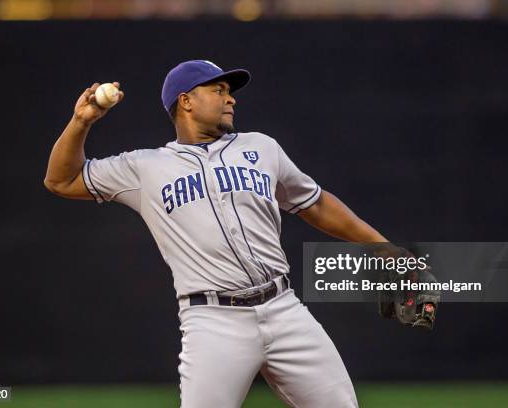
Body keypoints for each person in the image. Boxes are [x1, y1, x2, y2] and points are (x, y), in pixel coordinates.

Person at [44, 60, 388, 408]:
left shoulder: (262, 148)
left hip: (284, 308)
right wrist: (80, 123)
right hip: (213, 321)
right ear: (186, 101)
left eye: (230, 92)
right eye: (218, 90)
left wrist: (381, 246)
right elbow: (61, 180)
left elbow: (314, 203)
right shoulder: (144, 168)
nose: (231, 99)